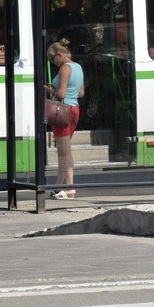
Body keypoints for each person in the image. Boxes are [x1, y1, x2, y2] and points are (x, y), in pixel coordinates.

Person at [44, 38, 84, 200]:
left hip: (62, 111)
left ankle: (69, 187)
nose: (53, 63)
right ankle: (59, 184)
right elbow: (81, 93)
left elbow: (60, 94)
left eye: (53, 59)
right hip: (74, 109)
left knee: (64, 152)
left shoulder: (64, 69)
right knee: (64, 149)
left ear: (60, 55)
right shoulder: (78, 67)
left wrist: (49, 89)